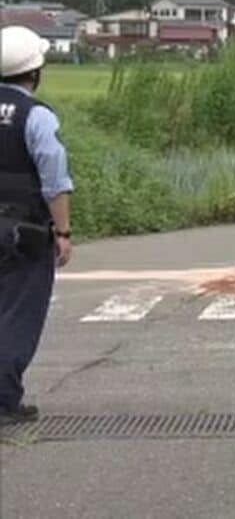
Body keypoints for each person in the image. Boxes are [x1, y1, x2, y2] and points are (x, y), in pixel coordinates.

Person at [0, 25, 73, 426]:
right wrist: (62, 233)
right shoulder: (35, 116)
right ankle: (3, 400)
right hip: (22, 233)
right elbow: (54, 181)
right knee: (18, 314)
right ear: (35, 71)